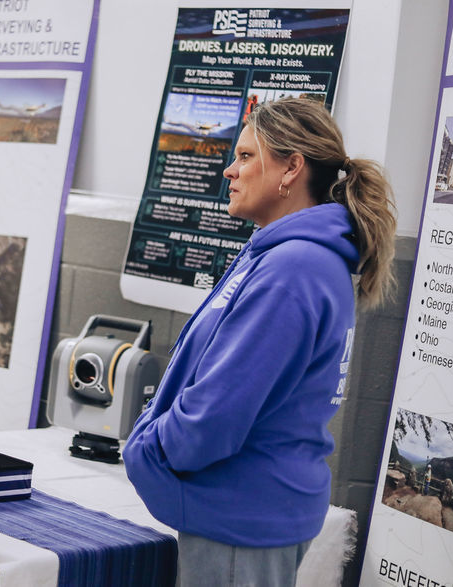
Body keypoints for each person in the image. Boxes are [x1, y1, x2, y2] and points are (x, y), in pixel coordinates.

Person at [123, 97, 397, 586]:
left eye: (247, 156)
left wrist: (152, 449)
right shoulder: (281, 255)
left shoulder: (295, 268)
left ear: (292, 168)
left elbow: (218, 413)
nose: (230, 170)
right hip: (245, 510)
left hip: (241, 518)